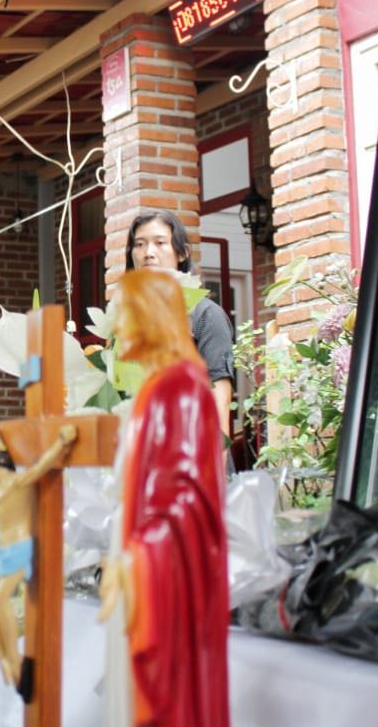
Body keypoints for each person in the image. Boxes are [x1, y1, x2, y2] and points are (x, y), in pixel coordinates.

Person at [98, 269, 228, 727]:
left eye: (127, 314)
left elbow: (187, 498)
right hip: (139, 555)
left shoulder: (183, 388)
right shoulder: (156, 389)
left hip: (163, 574)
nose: (118, 327)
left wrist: (137, 559)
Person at [0, 424, 76, 692]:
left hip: (22, 546)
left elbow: (42, 466)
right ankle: (5, 659)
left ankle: (16, 661)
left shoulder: (16, 481)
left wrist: (62, 442)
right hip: (3, 547)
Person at [124, 210, 235, 437]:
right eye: (140, 244)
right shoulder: (127, 319)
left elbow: (219, 402)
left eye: (160, 243)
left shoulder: (206, 315)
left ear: (182, 253)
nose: (148, 253)